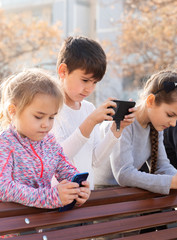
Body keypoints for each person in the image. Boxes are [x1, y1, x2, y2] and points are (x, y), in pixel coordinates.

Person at [0, 69, 91, 239]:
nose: (46, 124)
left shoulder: (49, 142)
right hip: (4, 232)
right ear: (13, 111)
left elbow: (65, 169)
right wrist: (50, 196)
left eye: (52, 117)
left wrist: (78, 188)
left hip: (35, 228)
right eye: (39, 117)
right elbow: (0, 188)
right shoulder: (4, 143)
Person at [51, 36, 135, 189]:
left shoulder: (88, 108)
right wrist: (90, 122)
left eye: (94, 82)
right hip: (59, 197)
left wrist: (117, 129)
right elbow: (58, 158)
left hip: (84, 195)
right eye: (85, 80)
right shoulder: (50, 109)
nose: (89, 88)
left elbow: (95, 160)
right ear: (63, 71)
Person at [108, 70, 177, 195]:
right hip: (105, 196)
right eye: (170, 115)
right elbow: (124, 174)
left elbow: (162, 166)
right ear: (150, 101)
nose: (173, 123)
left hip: (129, 197)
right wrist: (172, 182)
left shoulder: (155, 127)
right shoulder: (125, 121)